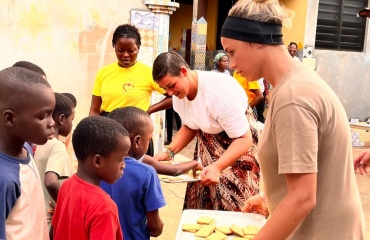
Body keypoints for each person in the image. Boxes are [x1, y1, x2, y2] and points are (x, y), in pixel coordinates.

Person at [220, 0, 364, 239]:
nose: (232, 64)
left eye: (232, 51)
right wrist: (271, 199)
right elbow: (312, 168)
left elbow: (302, 198)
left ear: (255, 40)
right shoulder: (297, 82)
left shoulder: (292, 97)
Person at [152, 51, 260, 211]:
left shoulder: (219, 93)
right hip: (208, 141)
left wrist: (217, 167)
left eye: (171, 86)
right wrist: (169, 154)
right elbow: (189, 125)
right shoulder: (179, 94)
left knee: (235, 200)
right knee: (204, 192)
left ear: (183, 72)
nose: (169, 93)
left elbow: (244, 139)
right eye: (164, 89)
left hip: (239, 142)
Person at [89, 24, 171, 155]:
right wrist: (96, 132)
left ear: (138, 48)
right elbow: (94, 110)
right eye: (120, 50)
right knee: (112, 172)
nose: (125, 55)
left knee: (139, 171)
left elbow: (173, 96)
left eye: (131, 50)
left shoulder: (148, 73)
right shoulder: (103, 73)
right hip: (110, 130)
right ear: (114, 47)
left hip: (138, 132)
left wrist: (148, 111)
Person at [52, 116, 130, 240]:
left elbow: (54, 229)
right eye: (120, 159)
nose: (123, 165)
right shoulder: (104, 207)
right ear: (98, 161)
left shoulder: (67, 185)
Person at [0, 67, 54, 239]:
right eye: (44, 116)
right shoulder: (5, 177)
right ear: (10, 119)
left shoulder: (26, 150)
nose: (52, 123)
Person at [101, 107, 166, 239]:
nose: (148, 143)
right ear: (137, 141)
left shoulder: (95, 169)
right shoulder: (147, 173)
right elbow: (155, 227)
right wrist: (160, 227)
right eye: (148, 140)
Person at [34, 93, 75, 227]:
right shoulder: (58, 146)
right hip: (52, 221)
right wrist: (64, 207)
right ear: (62, 119)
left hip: (39, 217)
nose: (72, 124)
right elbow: (51, 182)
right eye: (72, 119)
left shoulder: (41, 143)